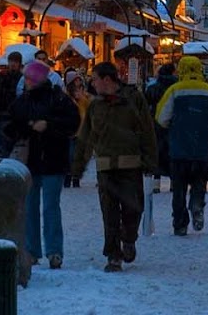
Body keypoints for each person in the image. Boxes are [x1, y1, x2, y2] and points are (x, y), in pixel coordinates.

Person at [71, 62, 156, 272]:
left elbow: (147, 131)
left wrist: (150, 161)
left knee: (133, 209)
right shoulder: (95, 105)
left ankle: (129, 239)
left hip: (131, 165)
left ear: (107, 80)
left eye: (95, 79)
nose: (92, 83)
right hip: (106, 167)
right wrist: (78, 166)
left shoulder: (133, 99)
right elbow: (86, 137)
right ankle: (113, 255)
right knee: (109, 213)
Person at [6, 60, 80, 269]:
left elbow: (72, 124)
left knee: (48, 206)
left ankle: (50, 251)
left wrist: (48, 126)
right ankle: (36, 250)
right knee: (34, 206)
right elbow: (9, 127)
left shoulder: (57, 99)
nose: (26, 81)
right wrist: (29, 128)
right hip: (34, 161)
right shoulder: (27, 102)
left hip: (51, 160)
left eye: (29, 78)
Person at [155, 56, 208, 236]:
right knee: (199, 181)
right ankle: (197, 204)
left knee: (178, 188)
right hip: (202, 147)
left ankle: (180, 223)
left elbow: (161, 118)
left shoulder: (174, 90)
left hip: (178, 147)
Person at [144, 62, 178, 191]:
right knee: (172, 152)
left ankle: (156, 182)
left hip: (157, 122)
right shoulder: (176, 87)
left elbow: (147, 103)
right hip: (173, 123)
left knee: (157, 151)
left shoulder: (153, 88)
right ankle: (173, 182)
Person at [63, 69, 91, 188]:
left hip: (81, 131)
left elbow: (88, 109)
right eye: (76, 82)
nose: (78, 84)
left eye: (80, 82)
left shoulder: (84, 97)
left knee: (77, 155)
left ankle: (75, 177)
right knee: (69, 155)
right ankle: (68, 177)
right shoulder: (65, 97)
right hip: (70, 131)